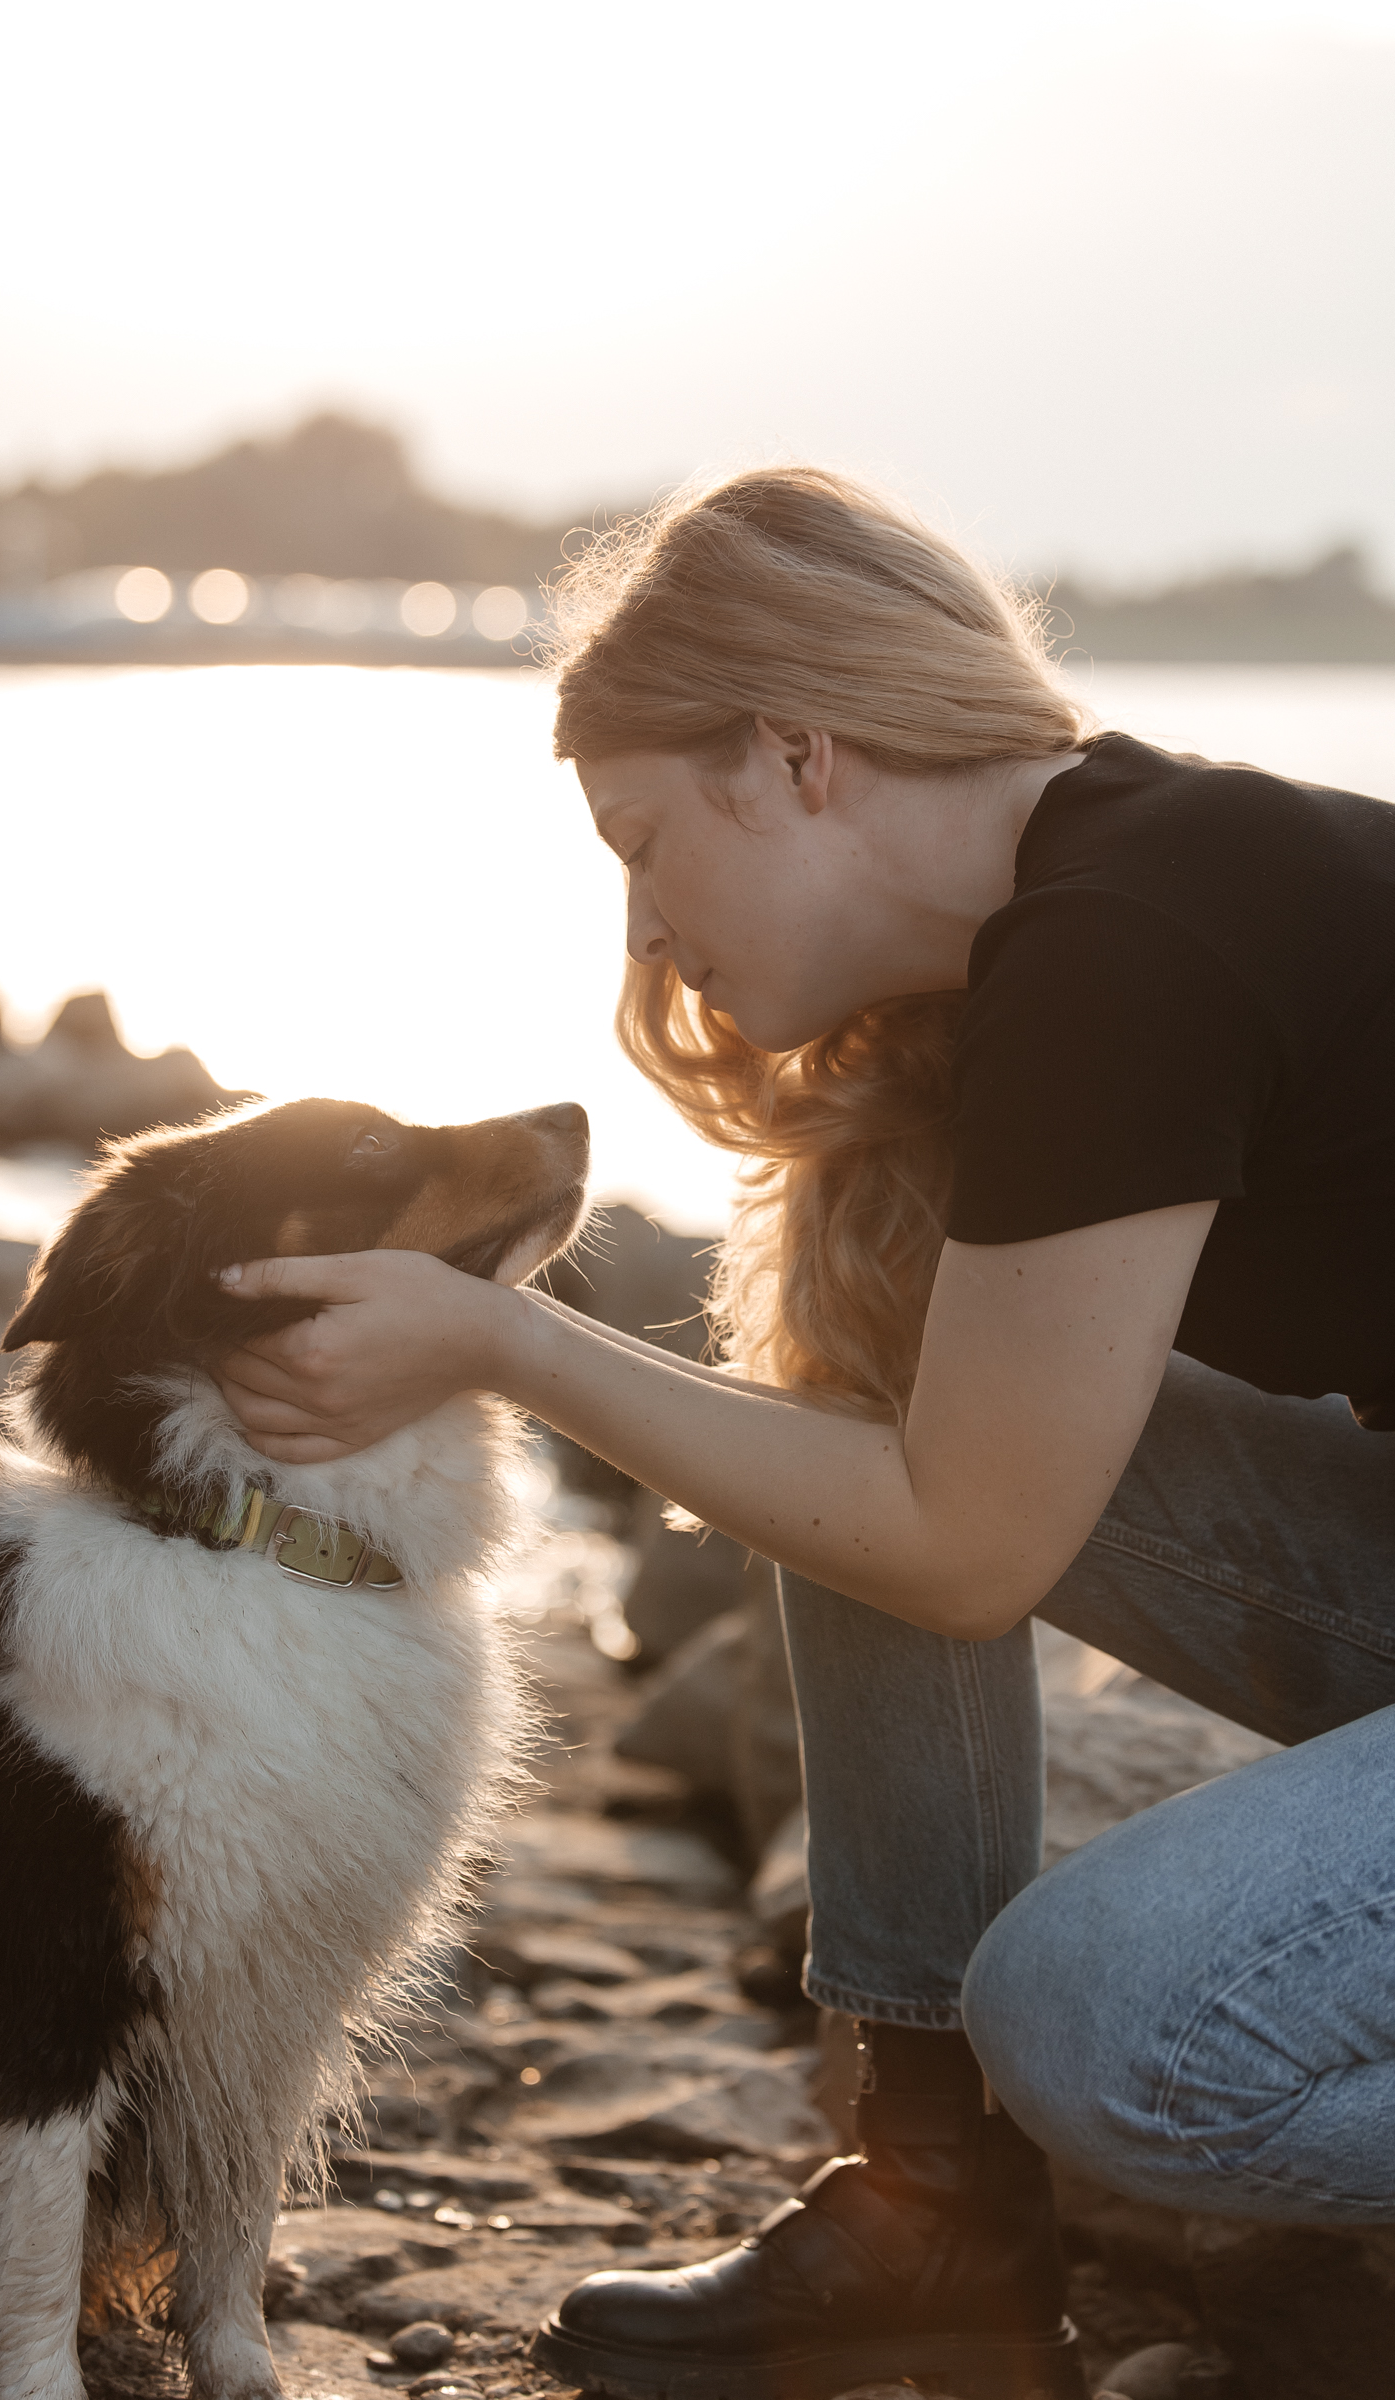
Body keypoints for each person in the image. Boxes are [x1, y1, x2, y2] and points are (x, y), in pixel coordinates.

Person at [215, 469, 1395, 2400]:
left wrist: (508, 1343)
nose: (646, 923)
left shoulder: (1136, 933)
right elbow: (927, 1492)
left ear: (792, 756)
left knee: (1105, 2021)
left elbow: (968, 1548)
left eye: (642, 837)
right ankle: (933, 2201)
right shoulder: (1079, 922)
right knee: (859, 1394)